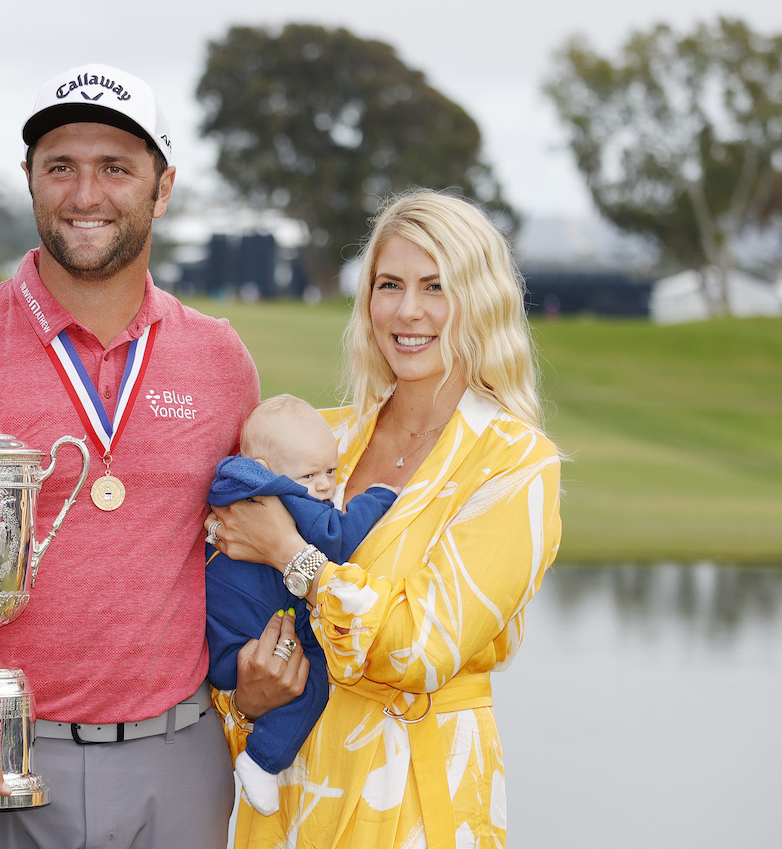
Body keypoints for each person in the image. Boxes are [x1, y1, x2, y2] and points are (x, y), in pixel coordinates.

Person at [0, 63, 259, 849]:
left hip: (178, 759)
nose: (85, 194)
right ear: (29, 181)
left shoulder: (221, 360)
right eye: (60, 166)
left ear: (162, 188)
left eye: (116, 168)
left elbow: (251, 547)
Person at [206, 189, 562, 849]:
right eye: (388, 284)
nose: (407, 310)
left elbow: (417, 649)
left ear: (480, 299)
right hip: (289, 786)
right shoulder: (322, 441)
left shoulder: (514, 464)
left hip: (414, 799)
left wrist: (293, 554)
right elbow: (232, 600)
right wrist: (248, 696)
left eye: (436, 286)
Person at [204, 394, 398, 816]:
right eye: (310, 474)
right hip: (257, 640)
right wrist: (377, 499)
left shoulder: (232, 486)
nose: (325, 486)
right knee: (314, 679)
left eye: (331, 470)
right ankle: (263, 760)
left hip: (219, 641)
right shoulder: (284, 495)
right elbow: (335, 539)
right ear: (268, 470)